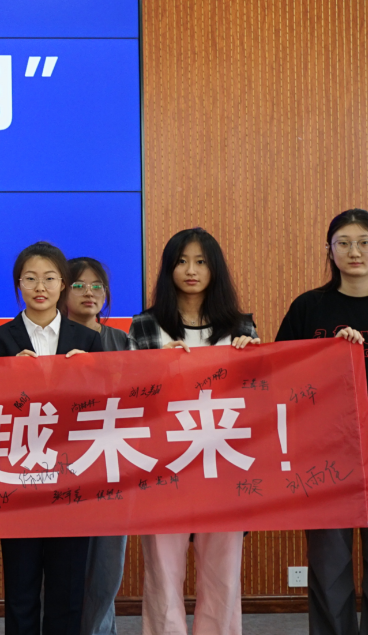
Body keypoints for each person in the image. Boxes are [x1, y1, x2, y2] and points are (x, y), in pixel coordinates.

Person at [275, 209, 368, 635]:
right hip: (322, 458)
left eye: (365, 242)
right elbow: (282, 375)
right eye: (343, 242)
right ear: (329, 251)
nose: (354, 251)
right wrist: (329, 355)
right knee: (328, 568)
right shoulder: (308, 307)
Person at [123, 230, 258, 635]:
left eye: (201, 261)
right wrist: (156, 368)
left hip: (224, 462)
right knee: (163, 572)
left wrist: (254, 360)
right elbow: (130, 397)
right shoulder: (145, 325)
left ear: (215, 269)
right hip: (163, 463)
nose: (191, 270)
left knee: (223, 572)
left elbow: (258, 397)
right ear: (168, 269)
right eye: (181, 261)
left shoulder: (240, 325)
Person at [0, 241, 101, 635]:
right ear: (19, 284)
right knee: (21, 587)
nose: (40, 287)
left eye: (49, 278)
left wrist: (91, 375)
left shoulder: (88, 340)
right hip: (19, 477)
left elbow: (103, 409)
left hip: (72, 476)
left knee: (68, 588)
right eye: (30, 278)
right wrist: (6, 379)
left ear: (63, 283)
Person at [62, 256, 133, 635]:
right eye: (78, 285)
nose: (89, 292)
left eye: (97, 286)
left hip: (111, 464)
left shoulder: (122, 342)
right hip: (61, 467)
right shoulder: (50, 339)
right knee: (62, 567)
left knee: (107, 566)